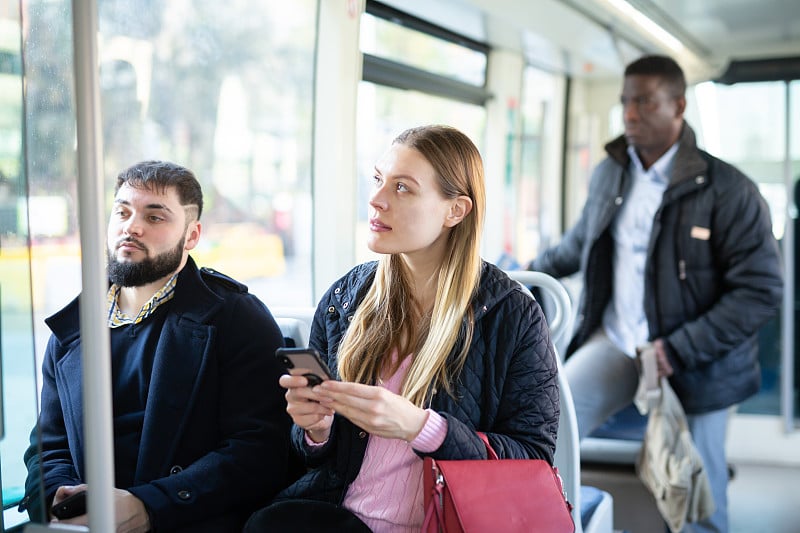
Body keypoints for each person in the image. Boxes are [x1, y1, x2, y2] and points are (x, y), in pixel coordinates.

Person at [244, 125, 561, 532]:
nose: (376, 200)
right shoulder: (346, 298)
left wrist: (422, 428)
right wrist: (315, 432)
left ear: (455, 211)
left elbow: (532, 458)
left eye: (403, 188)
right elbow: (312, 458)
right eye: (378, 180)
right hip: (340, 517)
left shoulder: (512, 316)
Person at [528, 55, 783, 533]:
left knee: (696, 498)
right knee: (549, 428)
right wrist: (509, 278)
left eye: (644, 102)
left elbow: (760, 291)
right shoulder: (611, 173)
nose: (629, 114)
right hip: (618, 341)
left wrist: (678, 349)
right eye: (625, 102)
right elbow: (575, 247)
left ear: (678, 106)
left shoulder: (729, 191)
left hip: (697, 358)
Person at [21, 161, 295, 532]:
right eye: (122, 212)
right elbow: (48, 446)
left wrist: (148, 507)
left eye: (155, 217)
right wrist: (56, 499)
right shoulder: (73, 329)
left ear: (193, 235)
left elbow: (260, 450)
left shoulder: (236, 318)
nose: (131, 227)